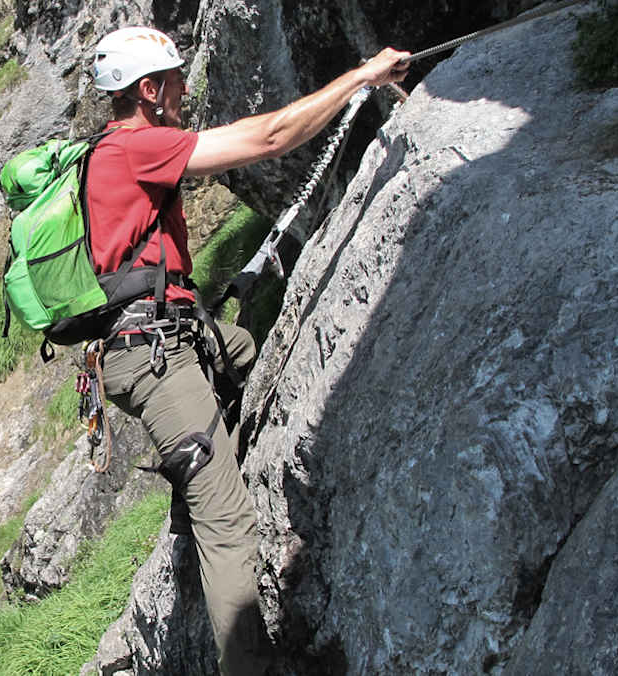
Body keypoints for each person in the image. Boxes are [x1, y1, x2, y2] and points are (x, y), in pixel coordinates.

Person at [85, 26, 410, 674]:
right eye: (175, 82)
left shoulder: (105, 153)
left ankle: (199, 472)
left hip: (169, 336)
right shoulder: (136, 148)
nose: (183, 92)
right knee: (227, 523)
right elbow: (265, 140)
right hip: (157, 355)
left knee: (239, 349)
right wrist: (360, 77)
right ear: (148, 90)